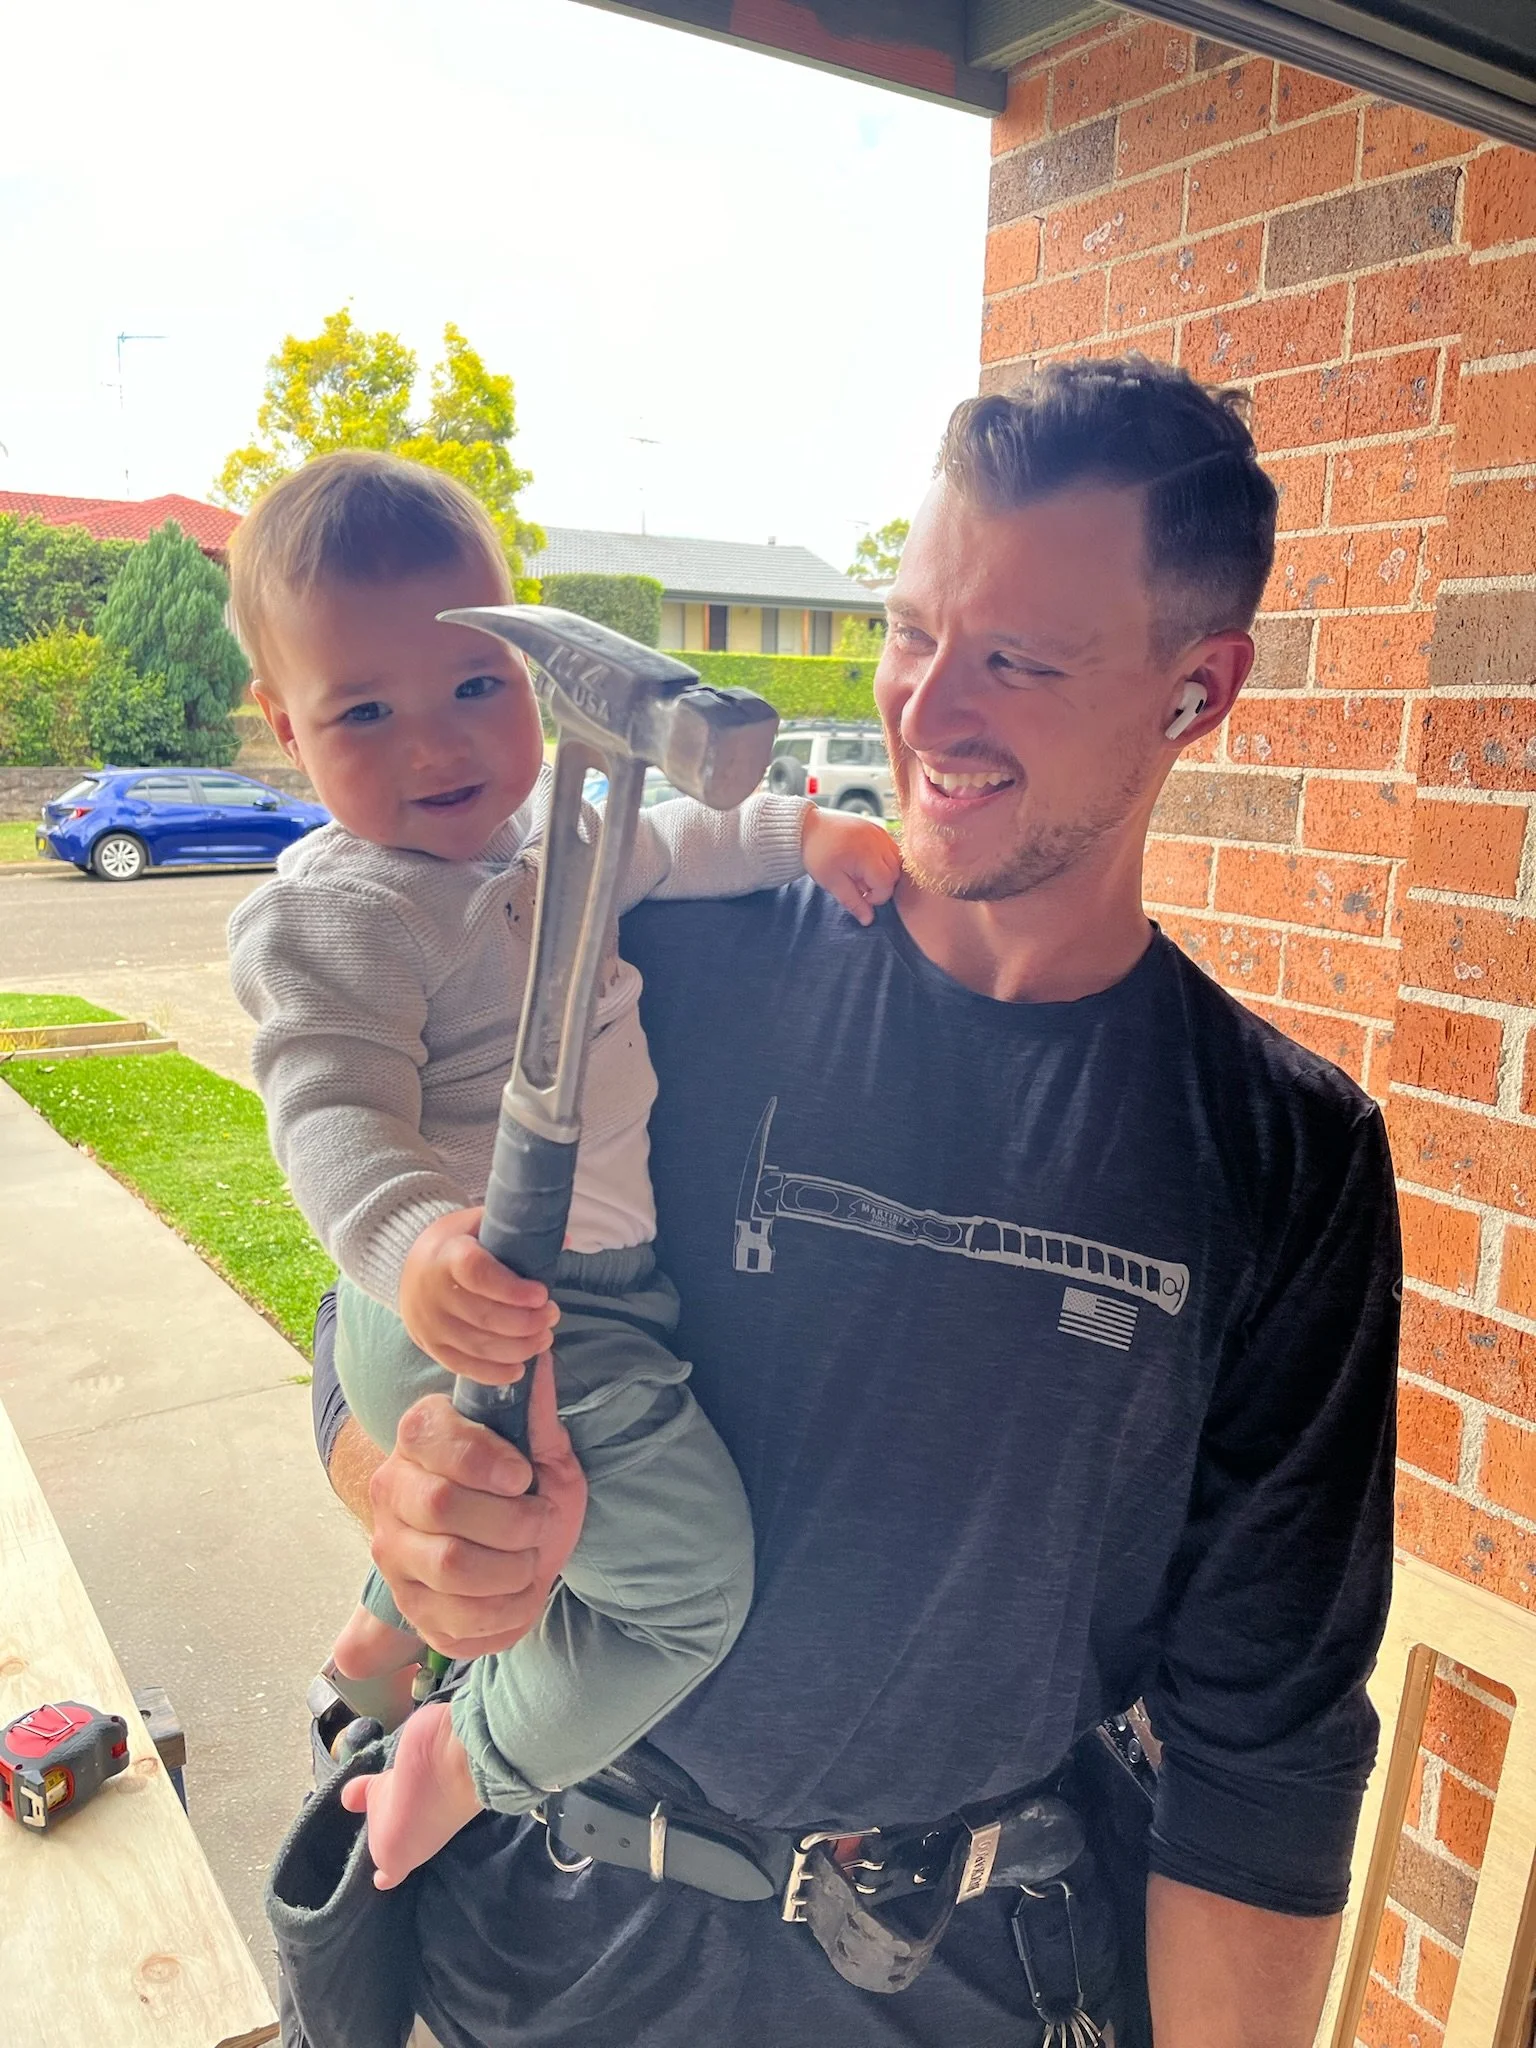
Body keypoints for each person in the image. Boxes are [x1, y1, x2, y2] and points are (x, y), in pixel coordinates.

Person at [307, 359, 1400, 2048]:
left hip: (972, 1974)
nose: (929, 711)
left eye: (1020, 661)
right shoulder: (645, 950)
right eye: (911, 632)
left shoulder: (1282, 1151)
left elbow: (1266, 1735)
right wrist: (402, 1498)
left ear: (1200, 690)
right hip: (549, 1947)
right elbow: (362, 1319)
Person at [225, 450, 901, 1889]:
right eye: (365, 712)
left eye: (477, 684)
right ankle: (465, 1767)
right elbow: (326, 1110)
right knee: (687, 1590)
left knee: (462, 1544)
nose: (436, 747)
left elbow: (675, 836)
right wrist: (416, 1249)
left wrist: (809, 831)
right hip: (494, 1307)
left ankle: (376, 1637)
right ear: (286, 730)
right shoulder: (344, 913)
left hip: (587, 1284)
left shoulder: (560, 840)